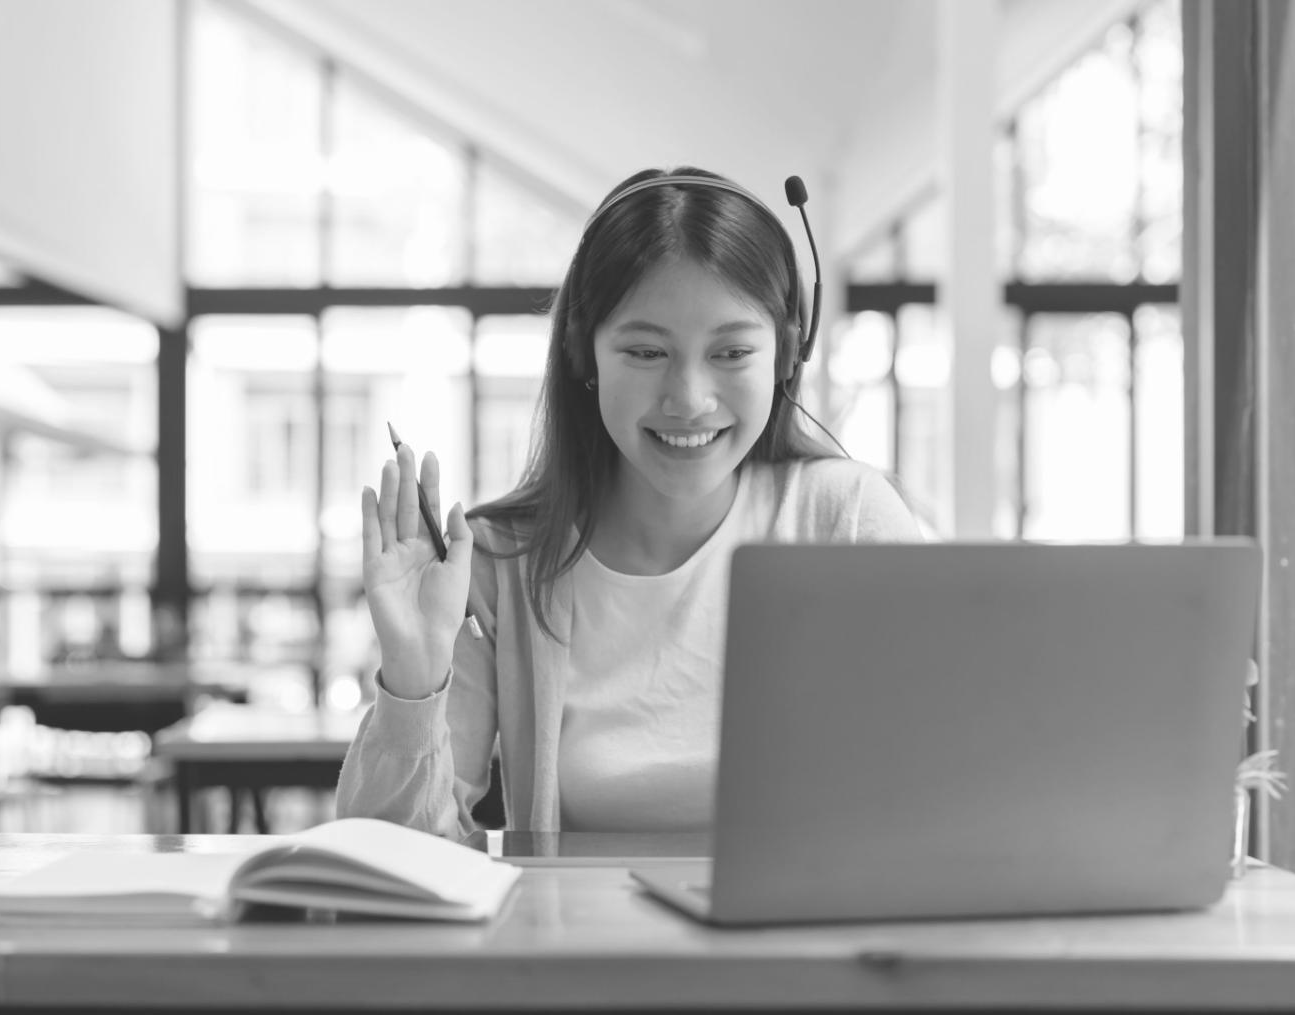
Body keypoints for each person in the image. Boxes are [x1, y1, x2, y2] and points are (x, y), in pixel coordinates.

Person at [337, 166, 922, 840]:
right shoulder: (502, 564)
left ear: (787, 353)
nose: (689, 398)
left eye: (732, 351)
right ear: (583, 355)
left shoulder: (847, 521)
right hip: (581, 916)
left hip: (802, 914)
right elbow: (390, 859)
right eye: (645, 351)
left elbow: (937, 789)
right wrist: (413, 677)